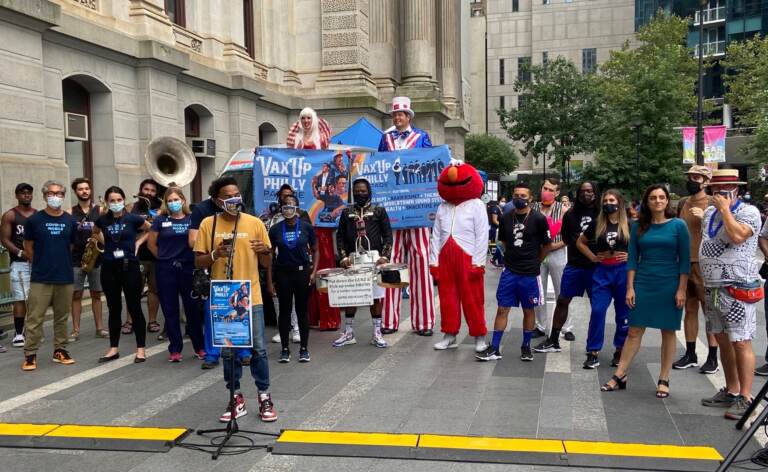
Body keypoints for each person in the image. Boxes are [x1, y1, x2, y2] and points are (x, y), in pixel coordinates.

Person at [193, 177, 277, 423]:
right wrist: (214, 254)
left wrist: (265, 252)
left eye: (237, 195)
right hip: (223, 297)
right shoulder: (209, 224)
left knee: (258, 348)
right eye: (228, 196)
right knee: (228, 352)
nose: (234, 200)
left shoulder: (254, 223)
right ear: (218, 200)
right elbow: (198, 261)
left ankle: (264, 396)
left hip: (251, 295)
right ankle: (236, 397)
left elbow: (267, 263)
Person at [601, 185, 690, 398]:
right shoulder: (639, 226)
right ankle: (620, 373)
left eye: (661, 197)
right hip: (643, 281)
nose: (658, 201)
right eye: (653, 198)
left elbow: (685, 261)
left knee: (668, 332)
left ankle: (664, 378)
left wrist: (681, 290)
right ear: (647, 202)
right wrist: (630, 287)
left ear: (668, 201)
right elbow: (632, 259)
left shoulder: (679, 225)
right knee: (634, 331)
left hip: (669, 283)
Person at [699, 169, 762, 420]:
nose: (718, 193)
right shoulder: (708, 213)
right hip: (714, 287)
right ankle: (732, 388)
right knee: (721, 339)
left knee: (740, 340)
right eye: (715, 188)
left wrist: (725, 210)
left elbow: (736, 236)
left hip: (738, 287)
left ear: (736, 188)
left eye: (724, 188)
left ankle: (746, 397)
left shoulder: (749, 212)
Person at [378, 96, 436, 336]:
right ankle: (389, 321)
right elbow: (380, 168)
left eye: (401, 114)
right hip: (392, 211)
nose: (398, 118)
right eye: (395, 115)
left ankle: (424, 322)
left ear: (409, 116)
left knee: (421, 262)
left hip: (416, 210)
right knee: (391, 261)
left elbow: (429, 166)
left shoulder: (421, 137)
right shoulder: (386, 139)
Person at [477, 182, 552, 362]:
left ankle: (526, 347)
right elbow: (502, 242)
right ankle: (494, 347)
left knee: (528, 310)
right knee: (503, 308)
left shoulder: (538, 219)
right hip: (510, 271)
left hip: (529, 273)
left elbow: (547, 245)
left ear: (531, 198)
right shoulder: (506, 217)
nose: (520, 199)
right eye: (517, 195)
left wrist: (536, 261)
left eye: (523, 196)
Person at [430, 163, 489, 353]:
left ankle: (479, 336)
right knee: (448, 298)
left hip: (468, 256)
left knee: (473, 299)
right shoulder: (442, 207)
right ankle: (450, 334)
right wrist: (434, 262)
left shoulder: (477, 205)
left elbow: (482, 235)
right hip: (445, 256)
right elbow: (436, 235)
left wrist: (478, 262)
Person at [535, 182, 600, 355]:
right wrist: (587, 244)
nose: (586, 194)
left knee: (598, 306)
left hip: (596, 267)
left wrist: (588, 243)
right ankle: (553, 339)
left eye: (590, 191)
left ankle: (593, 347)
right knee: (563, 300)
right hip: (575, 265)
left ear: (595, 193)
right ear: (578, 194)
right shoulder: (571, 214)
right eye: (583, 191)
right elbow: (569, 238)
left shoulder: (601, 213)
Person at [21, 181, 77, 371]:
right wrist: (41, 263)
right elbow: (28, 247)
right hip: (41, 277)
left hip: (64, 277)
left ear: (63, 196)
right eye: (52, 193)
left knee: (62, 316)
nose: (56, 196)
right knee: (35, 317)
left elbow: (70, 246)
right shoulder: (35, 220)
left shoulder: (70, 221)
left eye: (60, 193)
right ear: (45, 196)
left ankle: (60, 350)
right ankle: (30, 353)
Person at [93, 186, 151, 364]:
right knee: (114, 308)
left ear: (123, 201)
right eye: (112, 201)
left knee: (134, 307)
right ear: (107, 202)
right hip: (109, 267)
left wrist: (138, 243)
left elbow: (150, 229)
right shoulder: (103, 220)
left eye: (119, 200)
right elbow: (95, 232)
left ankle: (140, 350)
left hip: (130, 266)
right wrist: (106, 244)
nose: (116, 203)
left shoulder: (133, 219)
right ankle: (113, 348)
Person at [333, 178, 393, 348]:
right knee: (351, 296)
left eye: (363, 191)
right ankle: (349, 333)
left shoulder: (379, 211)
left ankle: (377, 333)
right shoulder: (347, 212)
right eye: (357, 191)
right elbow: (340, 236)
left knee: (375, 298)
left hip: (374, 261)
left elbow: (388, 235)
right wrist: (343, 257)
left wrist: (385, 256)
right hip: (353, 260)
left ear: (369, 192)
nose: (360, 194)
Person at [147, 186, 204, 362]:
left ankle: (199, 346)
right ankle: (175, 349)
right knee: (170, 309)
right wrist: (164, 258)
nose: (173, 203)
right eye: (170, 200)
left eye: (176, 199)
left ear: (183, 200)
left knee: (192, 309)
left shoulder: (192, 219)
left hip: (188, 268)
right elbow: (151, 244)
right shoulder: (160, 220)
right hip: (166, 269)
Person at [576, 189, 631, 369]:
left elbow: (641, 247)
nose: (609, 203)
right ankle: (592, 351)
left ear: (619, 203)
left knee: (623, 313)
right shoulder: (596, 224)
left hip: (622, 271)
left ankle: (620, 349)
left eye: (612, 200)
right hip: (602, 271)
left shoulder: (630, 225)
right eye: (606, 200)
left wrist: (631, 258)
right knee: (598, 310)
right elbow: (580, 242)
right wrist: (592, 257)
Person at [672, 166, 720, 374]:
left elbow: (723, 232)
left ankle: (713, 356)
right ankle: (691, 353)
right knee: (688, 309)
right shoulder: (683, 202)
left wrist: (706, 218)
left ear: (706, 181)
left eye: (696, 178)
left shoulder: (713, 203)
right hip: (684, 262)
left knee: (709, 311)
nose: (691, 181)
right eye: (690, 177)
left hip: (705, 263)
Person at [269, 194, 318, 362]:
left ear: (297, 207)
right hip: (283, 274)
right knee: (284, 311)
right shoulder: (275, 229)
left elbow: (315, 249)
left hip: (302, 273)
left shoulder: (306, 227)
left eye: (291, 205)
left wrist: (313, 272)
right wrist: (270, 280)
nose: (287, 208)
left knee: (302, 311)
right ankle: (284, 349)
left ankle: (304, 349)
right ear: (281, 209)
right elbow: (270, 256)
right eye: (284, 205)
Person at [69, 177, 107, 342]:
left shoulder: (100, 211)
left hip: (96, 257)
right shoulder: (70, 213)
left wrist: (98, 239)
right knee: (76, 294)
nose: (84, 191)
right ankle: (75, 330)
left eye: (86, 188)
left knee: (96, 294)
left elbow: (106, 232)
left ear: (90, 190)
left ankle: (99, 328)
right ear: (75, 192)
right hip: (77, 258)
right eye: (80, 189)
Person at [531, 178, 568, 340]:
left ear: (557, 193)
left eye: (551, 190)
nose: (547, 192)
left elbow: (569, 236)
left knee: (563, 290)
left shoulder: (564, 210)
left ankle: (566, 327)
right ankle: (540, 325)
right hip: (538, 254)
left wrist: (553, 246)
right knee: (539, 290)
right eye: (545, 188)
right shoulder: (533, 209)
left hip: (557, 251)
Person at [1, 183, 36, 350]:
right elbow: (5, 239)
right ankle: (18, 332)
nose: (26, 195)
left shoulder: (38, 215)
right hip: (19, 263)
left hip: (37, 263)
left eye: (29, 193)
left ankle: (33, 331)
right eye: (23, 193)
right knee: (20, 299)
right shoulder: (10, 215)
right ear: (17, 195)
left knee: (35, 299)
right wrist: (21, 253)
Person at [128, 179, 162, 336]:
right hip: (137, 256)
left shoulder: (161, 209)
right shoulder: (131, 208)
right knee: (133, 290)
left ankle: (152, 321)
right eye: (146, 189)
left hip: (155, 255)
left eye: (152, 190)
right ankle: (130, 321)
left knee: (154, 290)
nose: (148, 192)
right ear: (140, 190)